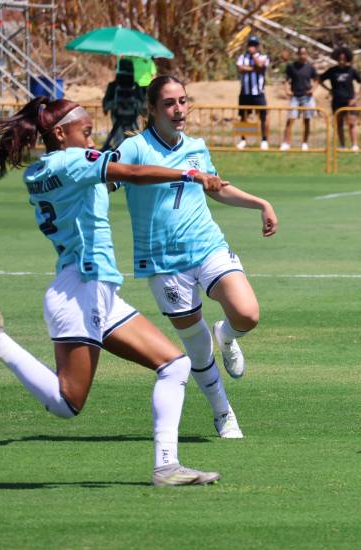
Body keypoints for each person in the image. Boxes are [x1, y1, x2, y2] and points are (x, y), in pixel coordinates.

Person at [0, 96, 226, 486]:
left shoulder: (45, 170)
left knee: (174, 365)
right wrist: (188, 175)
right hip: (82, 289)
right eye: (86, 132)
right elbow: (133, 172)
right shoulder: (74, 163)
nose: (92, 141)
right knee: (67, 404)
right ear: (60, 133)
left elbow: (102, 179)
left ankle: (167, 467)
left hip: (95, 289)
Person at [115, 75, 279, 439]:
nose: (179, 110)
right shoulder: (136, 148)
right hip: (162, 262)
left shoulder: (197, 146)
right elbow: (108, 175)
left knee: (247, 314)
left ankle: (228, 334)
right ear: (152, 110)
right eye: (170, 103)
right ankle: (223, 414)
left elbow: (217, 188)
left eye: (183, 101)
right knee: (196, 347)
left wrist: (260, 204)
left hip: (206, 246)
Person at [320, 46, 361, 151]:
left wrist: (356, 97)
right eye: (339, 59)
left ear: (347, 59)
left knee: (351, 123)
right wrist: (329, 90)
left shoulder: (351, 71)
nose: (341, 61)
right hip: (336, 101)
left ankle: (354, 145)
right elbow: (320, 79)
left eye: (343, 59)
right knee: (339, 124)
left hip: (349, 101)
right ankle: (342, 145)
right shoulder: (332, 71)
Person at [102, 58, 147, 150]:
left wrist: (136, 104)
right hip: (117, 121)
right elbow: (105, 106)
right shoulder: (113, 86)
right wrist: (115, 103)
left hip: (133, 122)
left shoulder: (136, 87)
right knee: (119, 147)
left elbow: (144, 110)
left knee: (136, 148)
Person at [236, 35, 270, 150]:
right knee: (244, 116)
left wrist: (254, 57)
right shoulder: (242, 57)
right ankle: (243, 139)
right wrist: (253, 68)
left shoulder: (264, 57)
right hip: (245, 92)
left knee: (263, 117)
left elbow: (261, 65)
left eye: (254, 45)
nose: (252, 47)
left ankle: (264, 140)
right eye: (250, 45)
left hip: (258, 93)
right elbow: (240, 68)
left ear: (258, 46)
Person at [281, 47, 318, 151]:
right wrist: (287, 90)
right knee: (290, 119)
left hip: (307, 96)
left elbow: (316, 80)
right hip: (295, 96)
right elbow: (286, 80)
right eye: (301, 54)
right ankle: (286, 143)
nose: (303, 56)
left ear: (307, 55)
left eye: (304, 54)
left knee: (306, 120)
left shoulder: (310, 68)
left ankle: (305, 143)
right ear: (298, 55)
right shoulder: (291, 67)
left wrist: (313, 89)